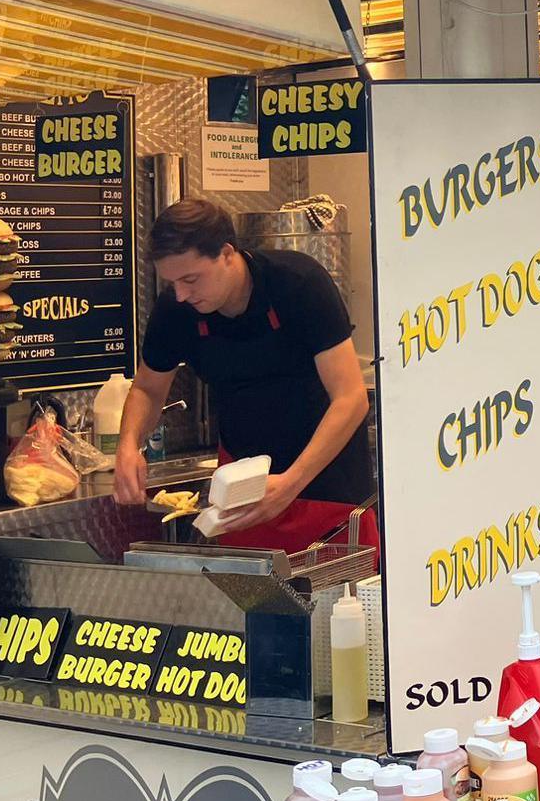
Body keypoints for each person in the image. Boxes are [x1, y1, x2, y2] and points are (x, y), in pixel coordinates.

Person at [113, 199, 374, 552]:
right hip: (242, 491)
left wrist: (290, 484)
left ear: (226, 253)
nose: (181, 294)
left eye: (191, 279)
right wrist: (128, 446)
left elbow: (351, 397)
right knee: (253, 602)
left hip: (326, 486)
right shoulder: (176, 310)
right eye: (172, 282)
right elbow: (147, 389)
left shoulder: (298, 284)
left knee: (342, 605)